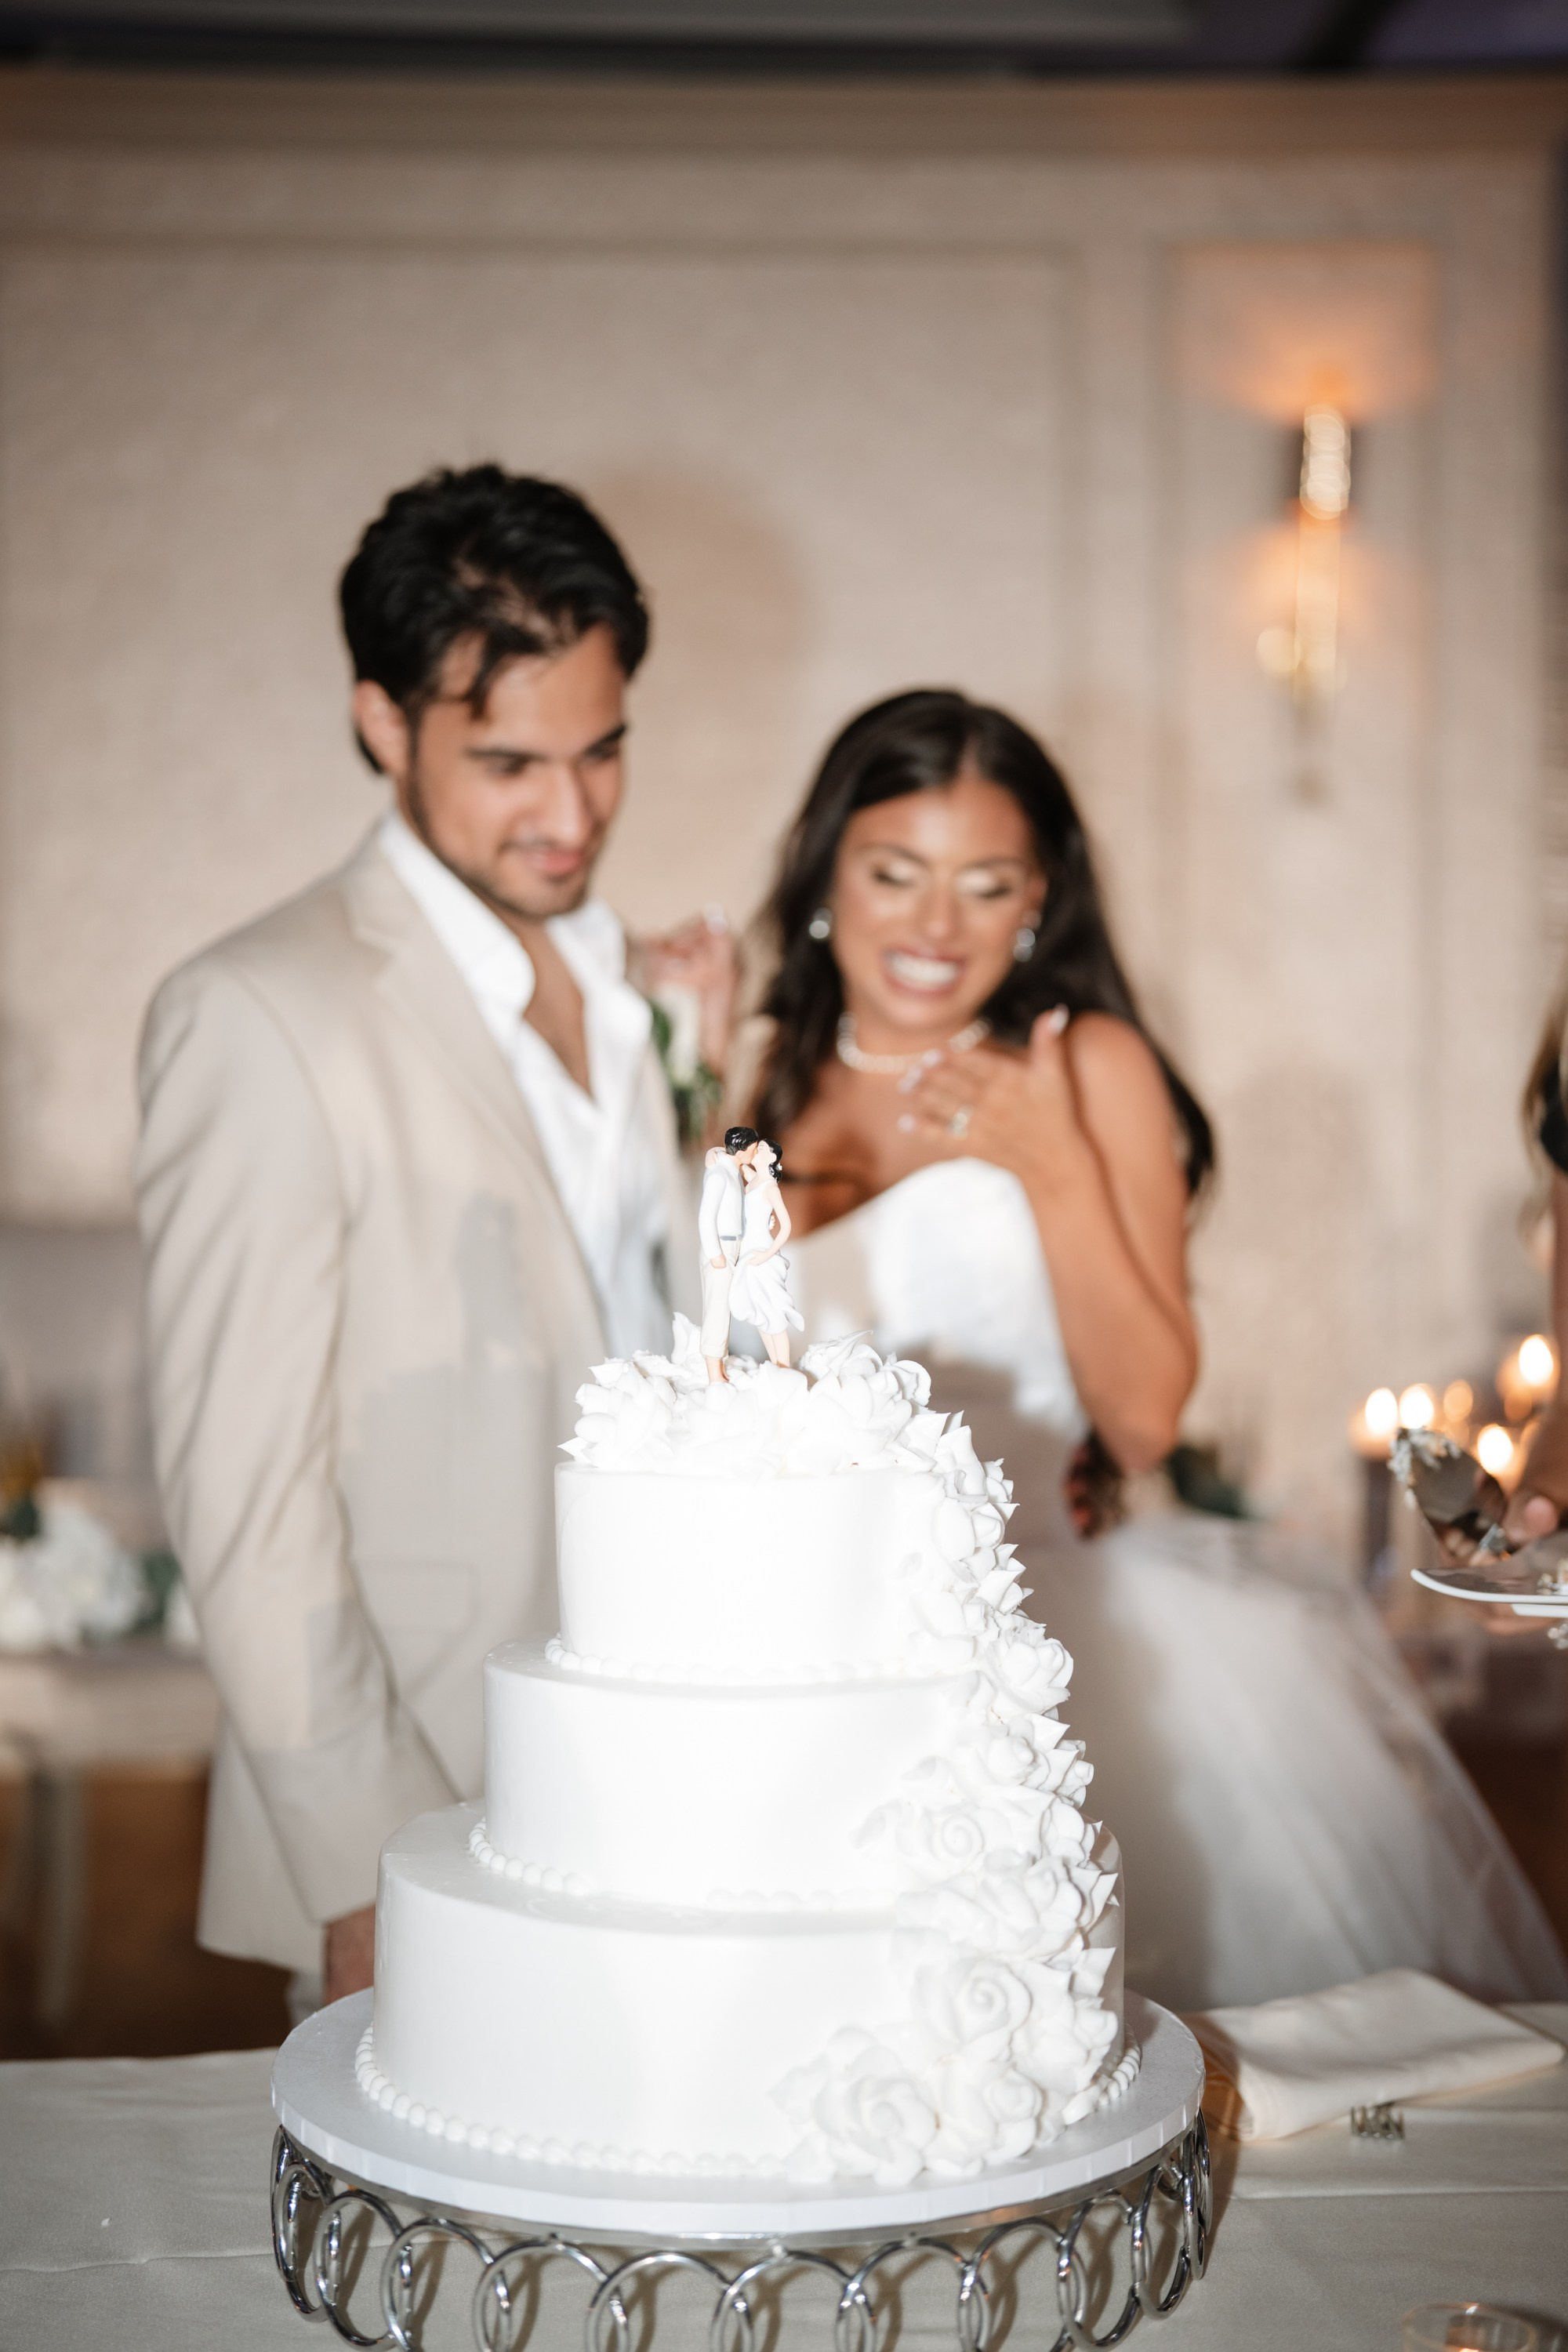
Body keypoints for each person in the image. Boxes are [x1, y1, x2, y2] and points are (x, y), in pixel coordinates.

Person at [734, 687, 1568, 2010]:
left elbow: (1136, 1424)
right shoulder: (764, 1073)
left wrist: (1050, 1163)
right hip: (809, 1642)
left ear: (1038, 900)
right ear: (828, 874)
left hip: (1060, 1623)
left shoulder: (1089, 1060)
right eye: (895, 873)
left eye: (986, 883)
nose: (935, 926)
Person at [135, 465, 728, 2009]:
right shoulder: (258, 1013)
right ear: (382, 726)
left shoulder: (636, 987)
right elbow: (241, 1502)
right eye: (511, 762)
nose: (572, 811)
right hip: (433, 1792)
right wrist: (370, 1864)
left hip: (677, 1761)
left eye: (603, 753)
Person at [727, 1138, 804, 1369]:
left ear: (772, 1157)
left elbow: (786, 1226)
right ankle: (775, 1364)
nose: (756, 1151)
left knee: (774, 1313)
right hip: (749, 1252)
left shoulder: (770, 1187)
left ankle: (784, 1367)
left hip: (761, 1252)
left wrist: (767, 1255)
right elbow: (739, 1164)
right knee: (760, 1313)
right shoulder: (754, 1179)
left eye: (761, 1149)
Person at [698, 1125, 757, 1382]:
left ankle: (718, 1366)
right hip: (721, 1246)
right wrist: (715, 1253)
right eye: (753, 1150)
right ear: (741, 1150)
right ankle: (713, 1372)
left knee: (724, 1309)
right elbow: (705, 1217)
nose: (755, 1154)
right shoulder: (719, 1176)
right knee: (717, 1309)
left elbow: (755, 1177)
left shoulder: (731, 1170)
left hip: (733, 1244)